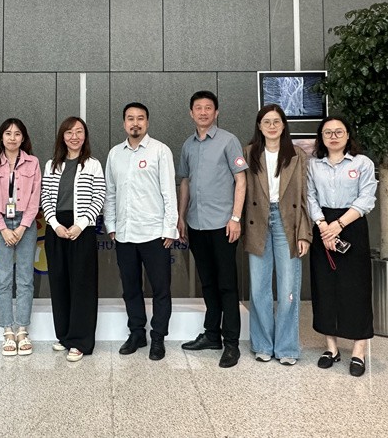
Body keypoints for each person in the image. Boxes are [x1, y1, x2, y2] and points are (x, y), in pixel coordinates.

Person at [177, 90, 248, 368]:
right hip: (196, 224)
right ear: (191, 113)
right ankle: (211, 335)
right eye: (198, 108)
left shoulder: (229, 141)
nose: (203, 112)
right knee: (207, 283)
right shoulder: (188, 145)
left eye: (208, 108)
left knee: (227, 285)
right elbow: (185, 182)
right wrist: (181, 217)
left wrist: (236, 218)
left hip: (223, 225)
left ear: (216, 112)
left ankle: (231, 343)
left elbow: (240, 180)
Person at [104, 102, 178, 361]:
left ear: (147, 122)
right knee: (131, 288)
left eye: (140, 118)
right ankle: (137, 334)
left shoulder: (160, 151)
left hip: (155, 234)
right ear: (124, 122)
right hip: (124, 234)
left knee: (160, 289)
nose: (135, 123)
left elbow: (169, 192)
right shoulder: (115, 154)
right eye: (130, 118)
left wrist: (170, 228)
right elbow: (110, 193)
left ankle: (158, 338)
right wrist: (111, 226)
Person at [307, 116, 377, 377]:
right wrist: (323, 225)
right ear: (321, 137)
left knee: (356, 287)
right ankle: (331, 348)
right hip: (322, 225)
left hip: (352, 225)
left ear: (348, 135)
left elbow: (366, 198)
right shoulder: (313, 165)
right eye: (328, 132)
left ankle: (359, 350)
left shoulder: (362, 163)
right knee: (325, 286)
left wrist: (338, 225)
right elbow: (309, 196)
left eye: (339, 132)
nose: (333, 136)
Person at [243, 104, 311, 366]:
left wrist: (304, 233)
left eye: (276, 121)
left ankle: (286, 347)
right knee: (259, 288)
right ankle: (262, 344)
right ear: (259, 126)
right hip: (257, 221)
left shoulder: (296, 154)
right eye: (266, 122)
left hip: (288, 223)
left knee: (287, 288)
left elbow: (305, 195)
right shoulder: (249, 153)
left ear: (284, 125)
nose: (272, 126)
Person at [40, 116, 106, 362]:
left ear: (85, 136)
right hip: (56, 229)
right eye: (69, 132)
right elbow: (45, 197)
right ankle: (65, 336)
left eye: (79, 132)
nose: (74, 137)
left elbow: (99, 197)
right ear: (62, 136)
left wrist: (81, 224)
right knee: (59, 283)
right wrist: (55, 225)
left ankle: (80, 341)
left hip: (82, 229)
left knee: (82, 285)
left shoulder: (93, 164)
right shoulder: (51, 164)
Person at [0, 118, 41, 357]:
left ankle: (23, 330)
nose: (13, 138)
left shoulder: (33, 162)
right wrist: (3, 229)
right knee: (4, 278)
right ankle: (7, 330)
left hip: (26, 223)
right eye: (8, 133)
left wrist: (23, 226)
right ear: (1, 137)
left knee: (25, 279)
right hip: (1, 224)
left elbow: (35, 198)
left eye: (17, 134)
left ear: (23, 138)